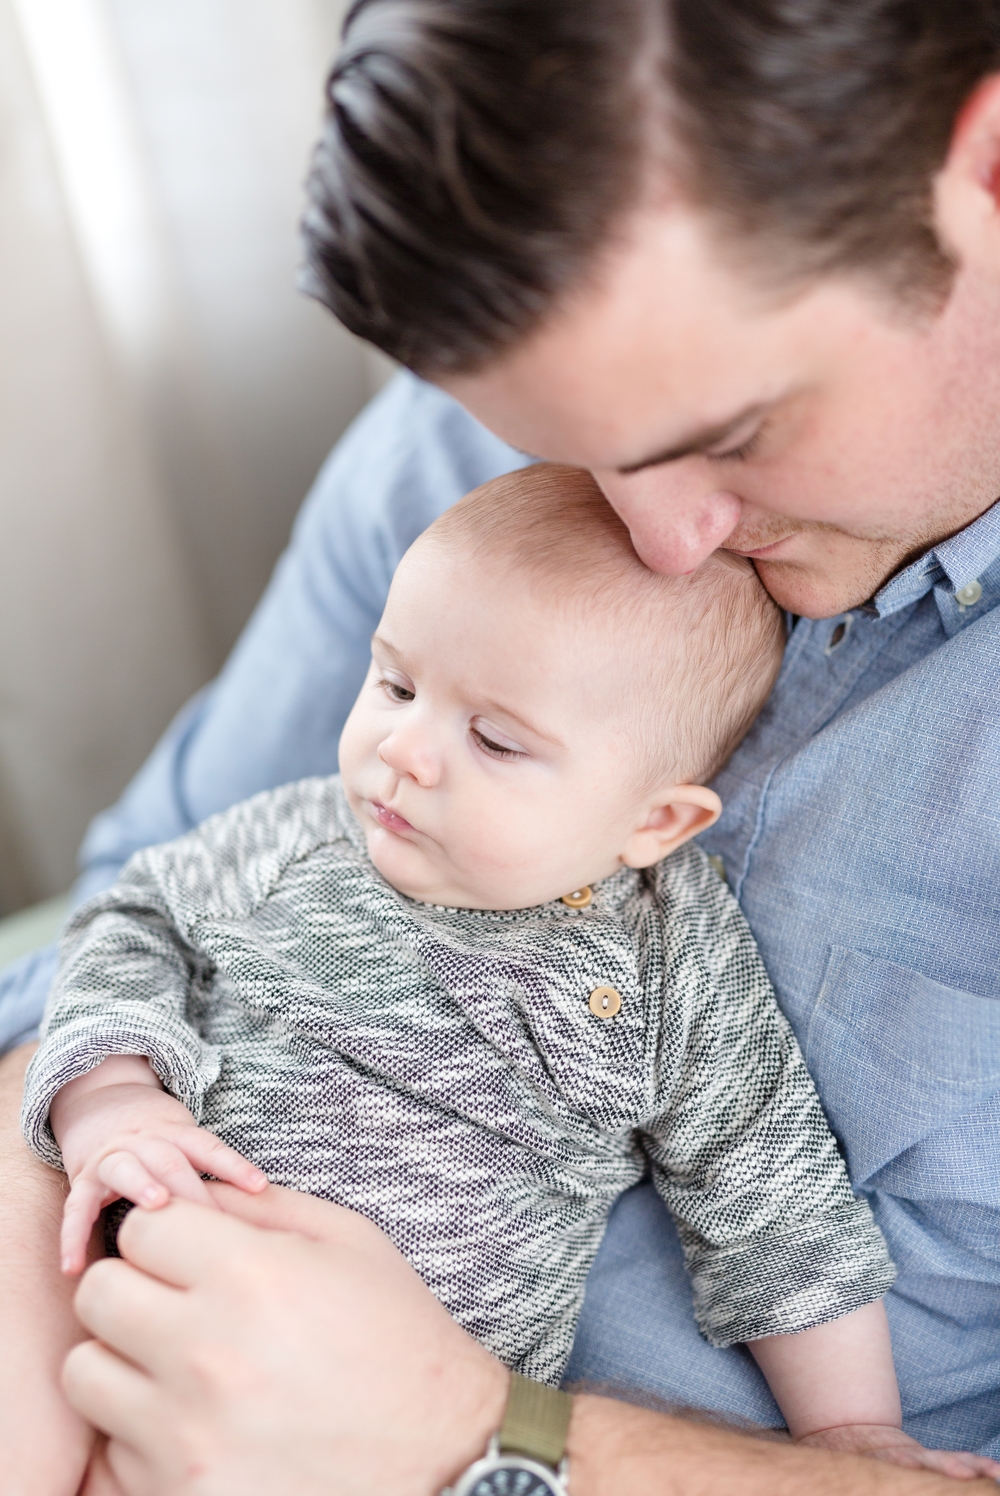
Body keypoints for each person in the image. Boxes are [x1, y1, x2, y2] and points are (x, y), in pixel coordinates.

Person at [4, 0, 1000, 1490]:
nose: (661, 540)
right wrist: (94, 1139)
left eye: (729, 432)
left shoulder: (679, 975)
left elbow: (776, 1204)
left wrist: (480, 1440)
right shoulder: (454, 455)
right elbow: (117, 926)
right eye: (569, 447)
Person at [29, 463, 979, 1480]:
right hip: (127, 1318)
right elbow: (126, 921)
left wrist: (849, 1439)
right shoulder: (297, 835)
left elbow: (772, 1198)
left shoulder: (669, 957)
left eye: (493, 739)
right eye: (394, 682)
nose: (405, 749)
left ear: (652, 820)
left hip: (386, 1441)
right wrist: (113, 1097)